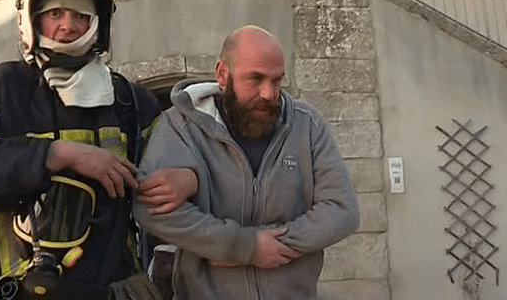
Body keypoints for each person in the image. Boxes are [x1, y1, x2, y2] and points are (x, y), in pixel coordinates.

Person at [0, 0, 197, 300]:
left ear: (98, 25)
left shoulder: (131, 101)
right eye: (55, 14)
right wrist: (57, 154)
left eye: (80, 16)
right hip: (18, 291)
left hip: (112, 292)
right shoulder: (5, 87)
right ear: (32, 21)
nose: (67, 25)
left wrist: (188, 179)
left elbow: (186, 164)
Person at [133, 25, 360, 300]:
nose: (269, 93)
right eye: (256, 79)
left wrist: (268, 247)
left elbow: (341, 210)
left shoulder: (307, 126)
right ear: (222, 74)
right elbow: (151, 210)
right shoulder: (180, 127)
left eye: (277, 81)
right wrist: (242, 246)